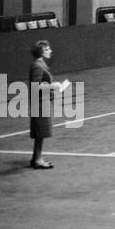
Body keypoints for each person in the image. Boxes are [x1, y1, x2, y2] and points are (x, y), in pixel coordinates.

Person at [28, 40, 67, 169]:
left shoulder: (41, 64)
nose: (50, 51)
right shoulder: (37, 66)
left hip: (43, 101)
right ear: (41, 52)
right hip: (39, 103)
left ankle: (36, 158)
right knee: (40, 131)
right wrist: (52, 85)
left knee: (41, 132)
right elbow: (35, 87)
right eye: (47, 49)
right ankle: (38, 160)